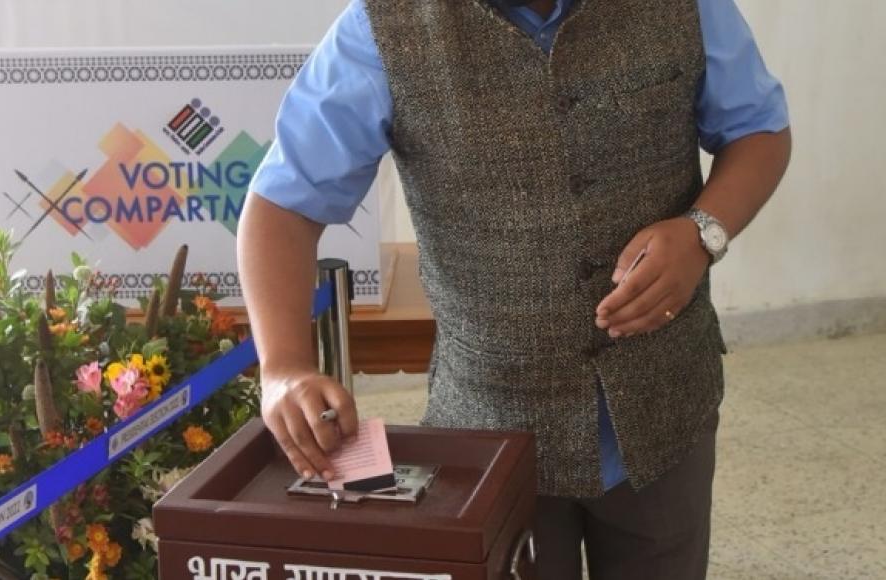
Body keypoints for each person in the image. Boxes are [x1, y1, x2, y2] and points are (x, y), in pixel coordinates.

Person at [238, 0, 790, 577]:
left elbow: (760, 130)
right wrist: (283, 366)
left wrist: (703, 233)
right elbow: (281, 207)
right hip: (491, 429)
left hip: (668, 406)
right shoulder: (382, 28)